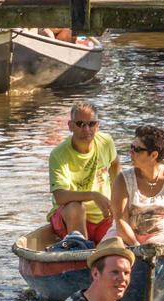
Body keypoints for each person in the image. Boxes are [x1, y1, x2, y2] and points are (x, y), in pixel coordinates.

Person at [105, 124, 164, 249]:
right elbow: (121, 220)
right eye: (131, 147)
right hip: (124, 235)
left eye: (137, 149)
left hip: (163, 235)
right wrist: (136, 247)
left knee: (159, 251)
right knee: (112, 256)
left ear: (153, 155)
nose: (131, 152)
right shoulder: (123, 179)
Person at [48, 101, 120, 243]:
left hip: (103, 217)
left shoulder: (106, 142)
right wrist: (93, 195)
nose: (86, 129)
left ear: (97, 126)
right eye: (80, 124)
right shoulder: (58, 154)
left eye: (91, 124)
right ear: (70, 126)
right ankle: (79, 250)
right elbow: (60, 197)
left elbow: (115, 164)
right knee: (76, 208)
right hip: (69, 218)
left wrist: (117, 198)